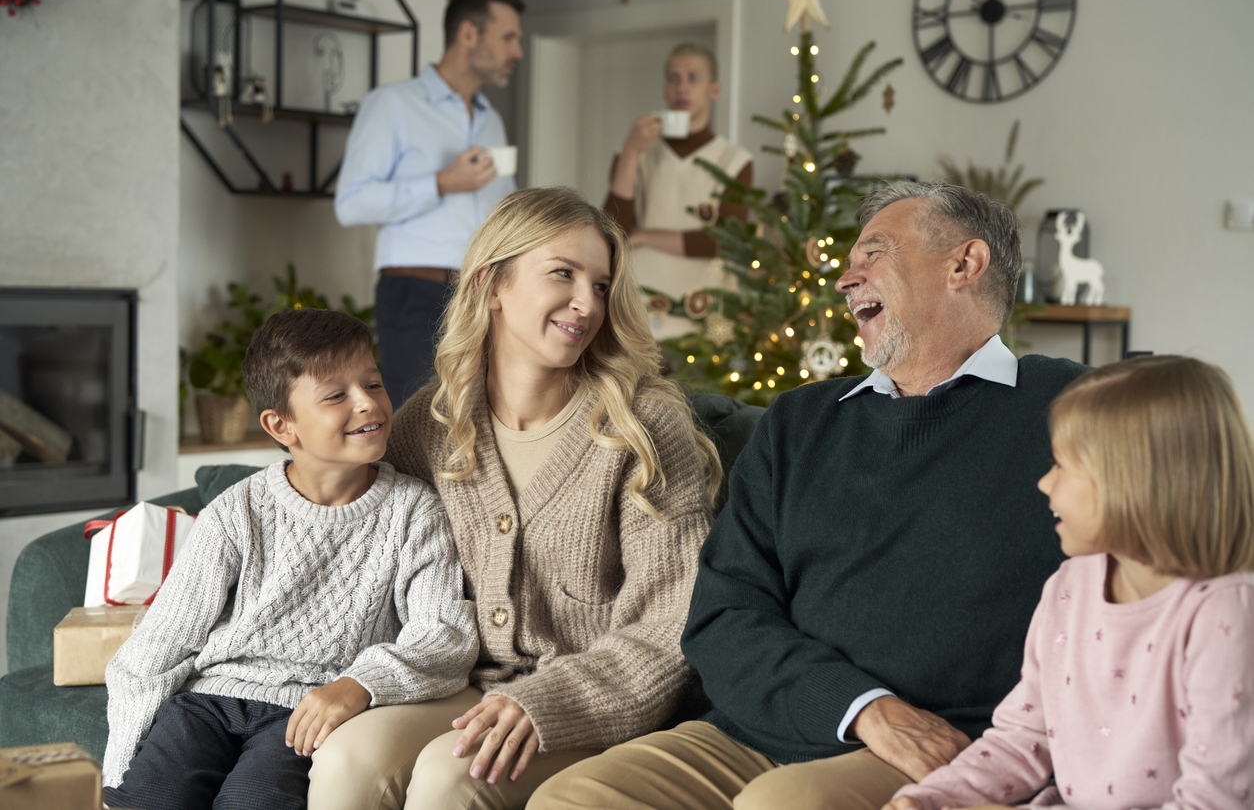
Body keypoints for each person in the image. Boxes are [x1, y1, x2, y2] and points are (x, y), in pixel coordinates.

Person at [532, 179, 1090, 810]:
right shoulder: (800, 421)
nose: (846, 279)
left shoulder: (1072, 410)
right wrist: (863, 709)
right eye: (848, 263)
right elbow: (722, 618)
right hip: (761, 733)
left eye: (872, 254)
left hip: (949, 744)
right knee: (573, 798)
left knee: (782, 805)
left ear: (965, 263)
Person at [307, 186, 722, 810]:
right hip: (459, 685)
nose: (587, 303)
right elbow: (351, 533)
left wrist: (546, 702)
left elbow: (670, 624)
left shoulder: (641, 425)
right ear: (490, 285)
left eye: (602, 285)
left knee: (451, 780)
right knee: (345, 759)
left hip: (589, 704)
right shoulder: (431, 424)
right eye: (564, 274)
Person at [102, 309, 479, 810]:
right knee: (147, 798)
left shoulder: (414, 510)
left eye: (373, 383)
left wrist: (360, 683)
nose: (368, 403)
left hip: (308, 715)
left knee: (251, 800)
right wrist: (121, 769)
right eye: (336, 395)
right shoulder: (235, 512)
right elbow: (157, 647)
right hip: (205, 706)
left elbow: (444, 633)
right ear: (282, 426)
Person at [883, 355, 1254, 810]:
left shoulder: (1225, 613)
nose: (1044, 483)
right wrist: (930, 800)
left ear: (1130, 482)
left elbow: (1214, 801)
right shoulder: (1069, 586)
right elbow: (1024, 738)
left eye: (1061, 465)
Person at [336, 0, 525, 410]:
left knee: (484, 415)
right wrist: (441, 182)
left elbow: (501, 211)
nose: (519, 51)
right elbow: (350, 203)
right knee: (415, 417)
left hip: (482, 296)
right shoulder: (393, 105)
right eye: (509, 37)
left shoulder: (491, 120)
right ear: (469, 34)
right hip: (416, 294)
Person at [602, 42, 753, 338]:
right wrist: (631, 151)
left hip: (705, 305)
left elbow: (727, 239)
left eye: (692, 78)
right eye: (674, 78)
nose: (682, 87)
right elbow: (613, 229)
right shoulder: (636, 152)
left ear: (714, 90)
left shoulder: (734, 160)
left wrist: (645, 236)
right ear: (664, 89)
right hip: (640, 302)